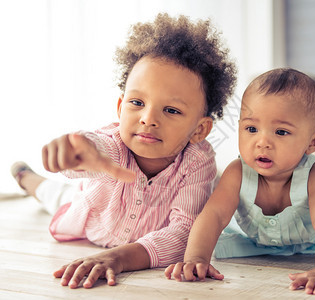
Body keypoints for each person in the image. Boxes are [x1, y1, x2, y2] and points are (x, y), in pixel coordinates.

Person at [10, 13, 237, 289]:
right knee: (53, 195)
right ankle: (25, 176)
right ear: (120, 107)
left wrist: (118, 258)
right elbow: (95, 148)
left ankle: (28, 178)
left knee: (56, 194)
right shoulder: (113, 144)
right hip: (93, 214)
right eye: (137, 102)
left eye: (171, 110)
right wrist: (77, 153)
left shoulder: (198, 160)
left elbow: (183, 234)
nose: (148, 118)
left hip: (135, 241)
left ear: (200, 129)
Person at [165, 68, 315, 295]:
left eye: (281, 132)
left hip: (314, 234)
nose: (262, 142)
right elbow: (214, 215)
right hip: (261, 239)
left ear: (312, 142)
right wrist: (196, 258)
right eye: (251, 128)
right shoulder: (237, 172)